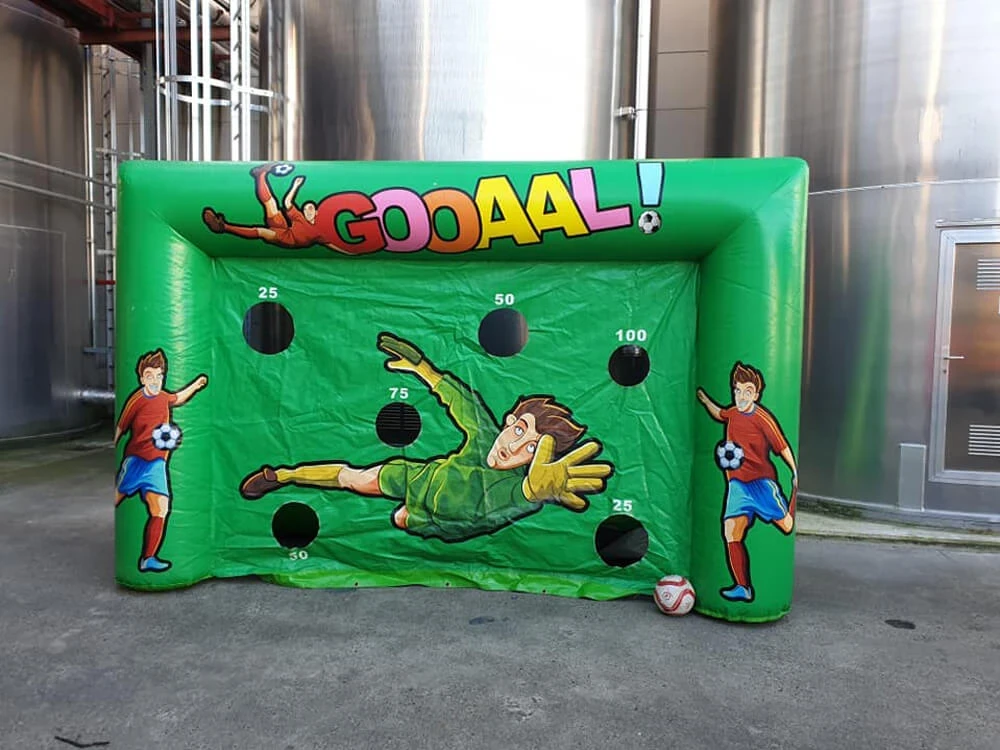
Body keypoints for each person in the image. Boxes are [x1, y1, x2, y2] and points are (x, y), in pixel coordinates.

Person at [240, 333, 614, 543]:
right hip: (423, 478)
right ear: (509, 421)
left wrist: (534, 491)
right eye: (518, 430)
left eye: (530, 447)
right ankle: (282, 475)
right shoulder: (487, 438)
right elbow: (463, 402)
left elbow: (518, 499)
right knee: (353, 478)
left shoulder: (520, 488)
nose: (512, 447)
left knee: (402, 518)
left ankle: (412, 518)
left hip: (440, 520)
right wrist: (424, 369)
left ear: (538, 459)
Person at [696, 362, 797, 602]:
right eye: (737, 390)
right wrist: (705, 400)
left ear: (756, 394)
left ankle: (791, 501)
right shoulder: (733, 413)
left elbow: (782, 445)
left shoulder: (762, 419)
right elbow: (719, 413)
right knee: (731, 531)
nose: (741, 396)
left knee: (786, 526)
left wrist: (794, 471)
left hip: (761, 483)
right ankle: (743, 586)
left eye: (747, 391)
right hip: (737, 485)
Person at [115, 349, 208, 572]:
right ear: (142, 378)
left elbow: (179, 397)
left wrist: (196, 385)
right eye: (150, 376)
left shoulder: (164, 397)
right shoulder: (137, 400)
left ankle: (148, 558)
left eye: (159, 376)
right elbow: (121, 426)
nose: (155, 380)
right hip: (136, 460)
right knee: (117, 495)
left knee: (161, 508)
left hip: (157, 464)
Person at [202, 163, 348, 253]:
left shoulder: (318, 232)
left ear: (316, 212)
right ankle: (260, 175)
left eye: (310, 208)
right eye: (305, 209)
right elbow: (287, 202)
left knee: (262, 232)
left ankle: (223, 227)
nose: (307, 211)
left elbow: (332, 245)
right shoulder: (300, 218)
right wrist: (295, 186)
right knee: (271, 204)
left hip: (287, 240)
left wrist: (351, 253)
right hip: (285, 229)